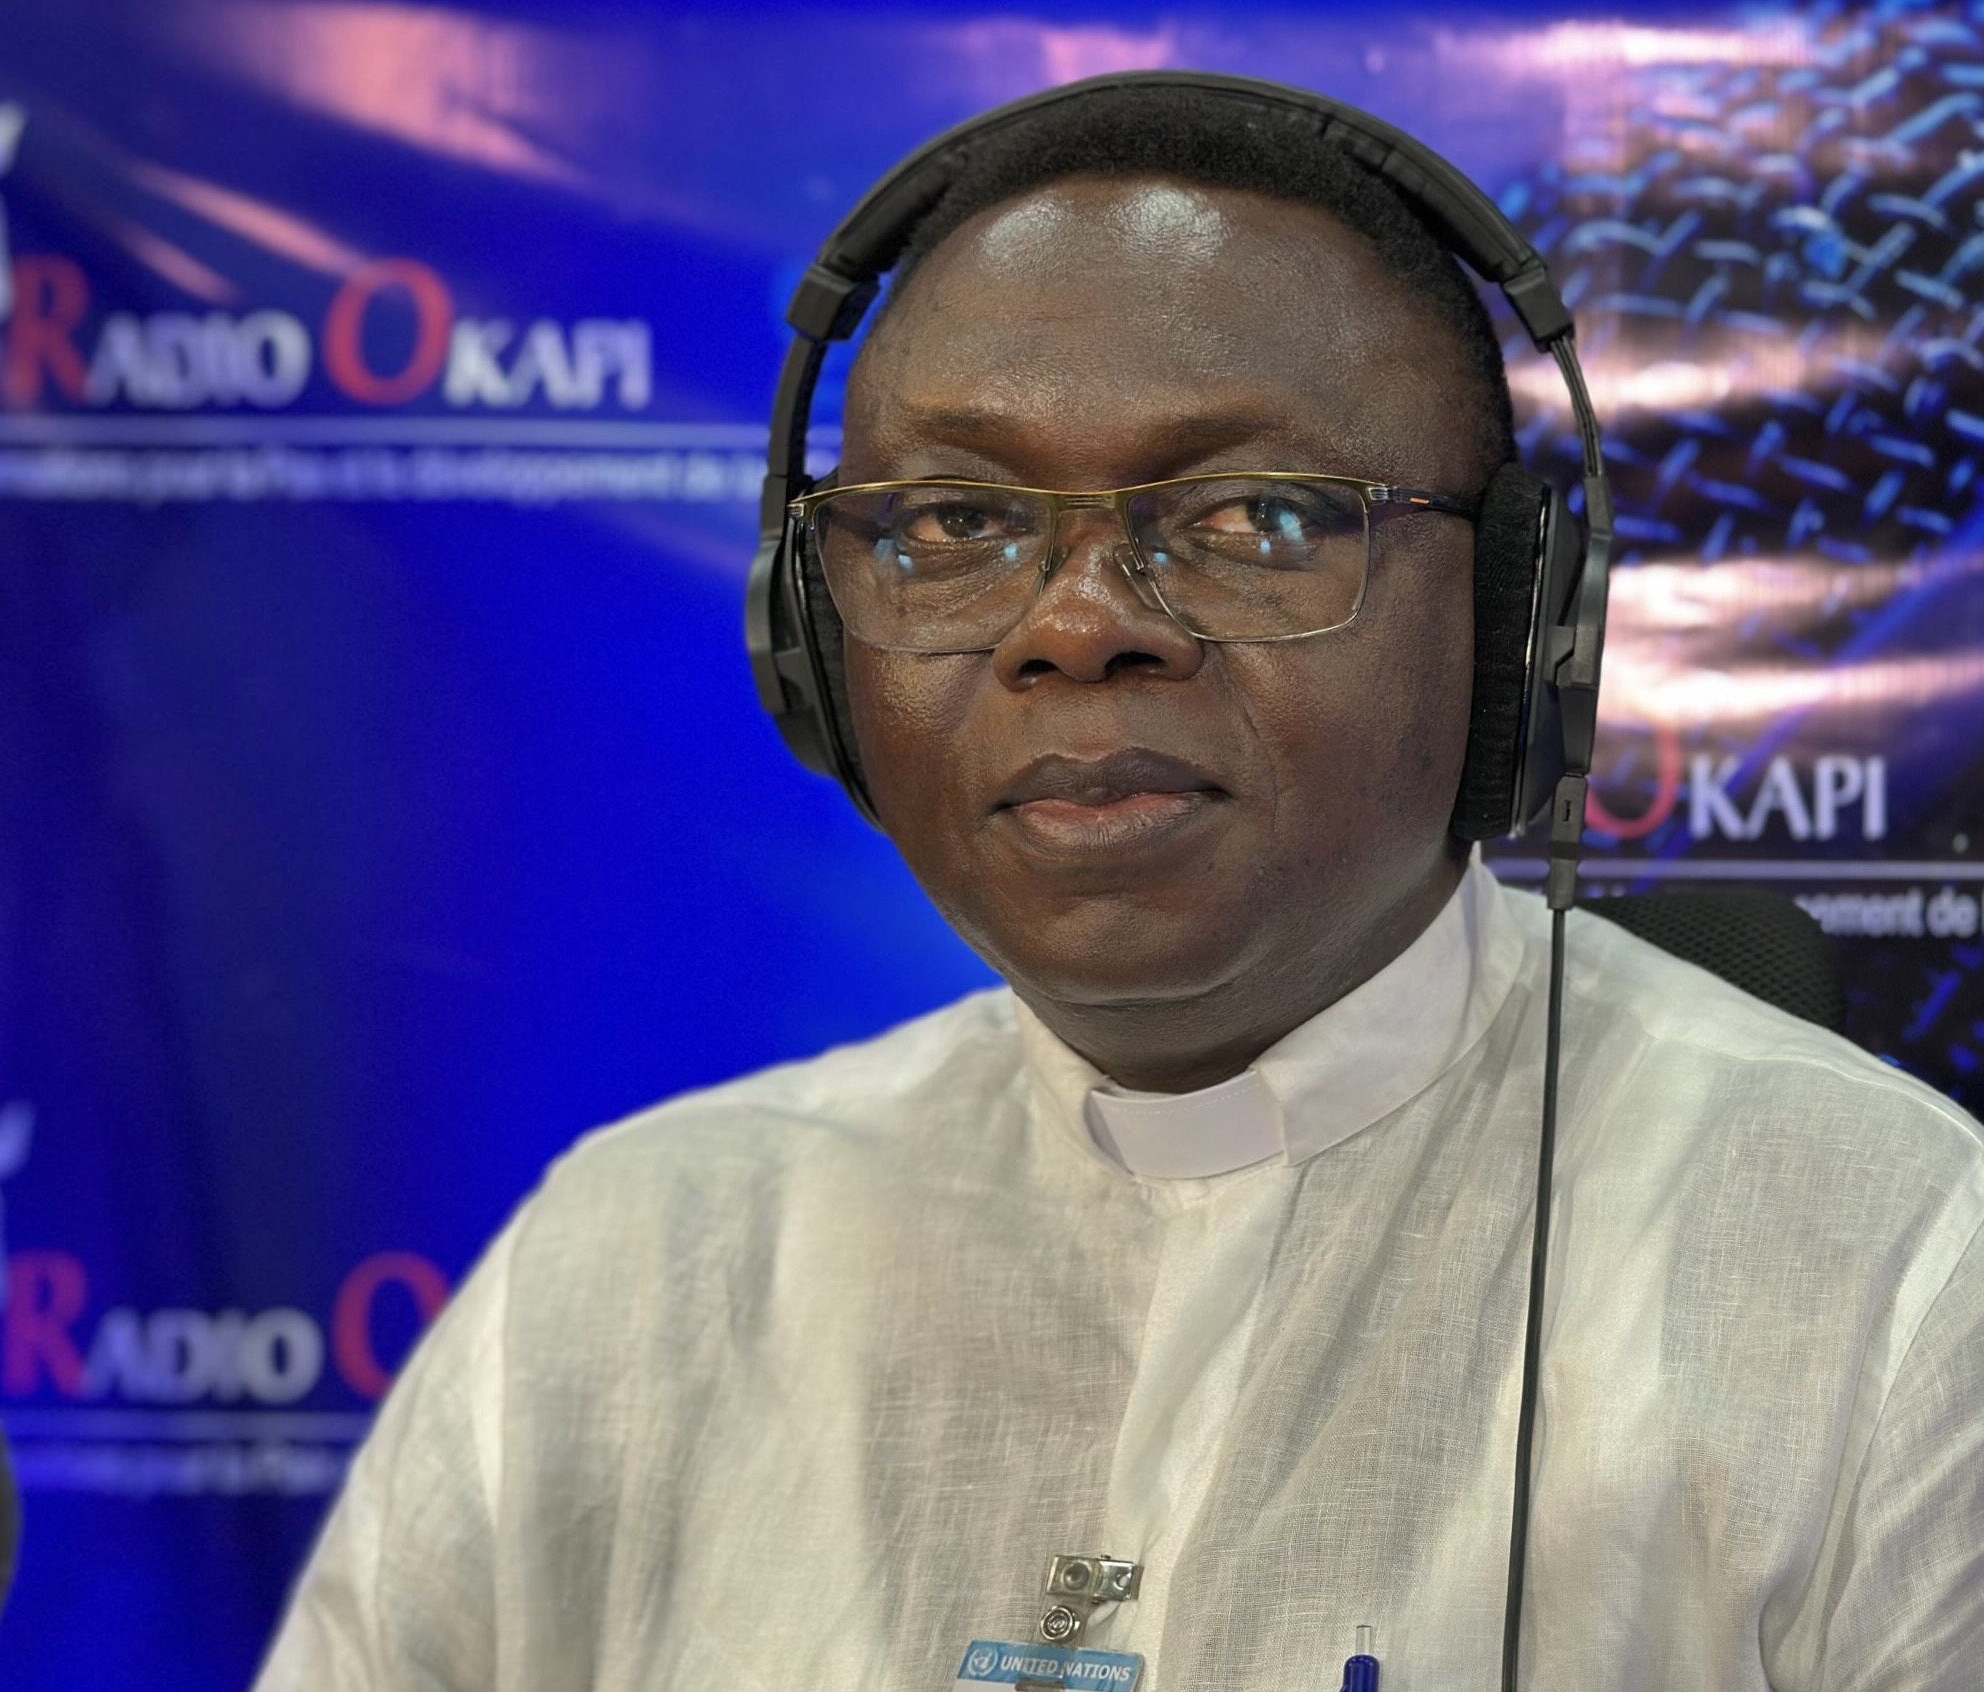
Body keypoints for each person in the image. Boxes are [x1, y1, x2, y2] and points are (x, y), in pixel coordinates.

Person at [256, 84, 1984, 1691]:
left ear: (1515, 620)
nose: (1078, 626)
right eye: (950, 523)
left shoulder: (1897, 1277)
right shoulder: (626, 1269)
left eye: (1256, 517)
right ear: (812, 646)